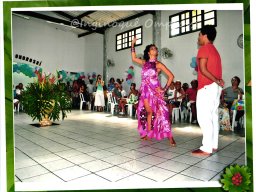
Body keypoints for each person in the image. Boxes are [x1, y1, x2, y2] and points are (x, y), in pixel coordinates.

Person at [131, 37, 176, 146]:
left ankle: (170, 136)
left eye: (155, 48)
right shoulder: (144, 62)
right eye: (152, 48)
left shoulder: (158, 64)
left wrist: (164, 89)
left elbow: (171, 76)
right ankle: (148, 133)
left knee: (163, 112)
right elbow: (133, 58)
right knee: (149, 112)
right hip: (146, 91)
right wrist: (132, 44)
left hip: (156, 91)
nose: (155, 49)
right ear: (148, 52)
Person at [192, 25, 224, 156]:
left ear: (205, 35)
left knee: (204, 117)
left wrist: (216, 80)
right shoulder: (215, 50)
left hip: (207, 87)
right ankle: (213, 145)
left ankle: (206, 148)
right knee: (213, 116)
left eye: (199, 35)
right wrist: (217, 81)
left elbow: (204, 69)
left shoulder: (204, 48)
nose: (198, 37)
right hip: (215, 88)